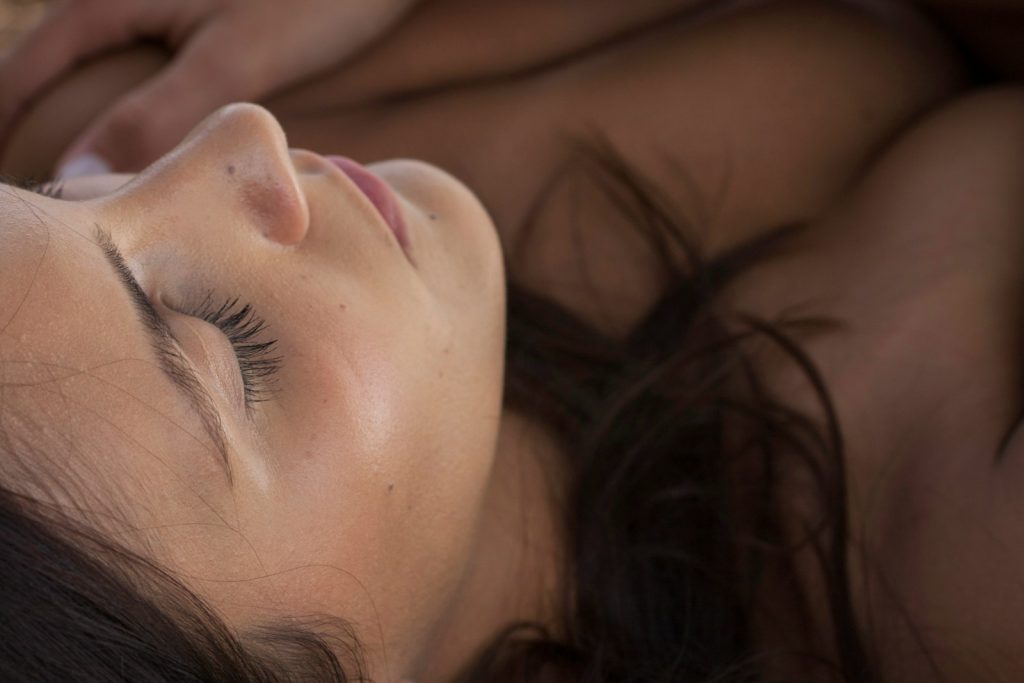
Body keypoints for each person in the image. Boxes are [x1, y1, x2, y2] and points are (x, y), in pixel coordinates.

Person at [0, 0, 1019, 681]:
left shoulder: (107, 120)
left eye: (53, 200)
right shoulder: (962, 560)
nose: (236, 135)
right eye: (227, 342)